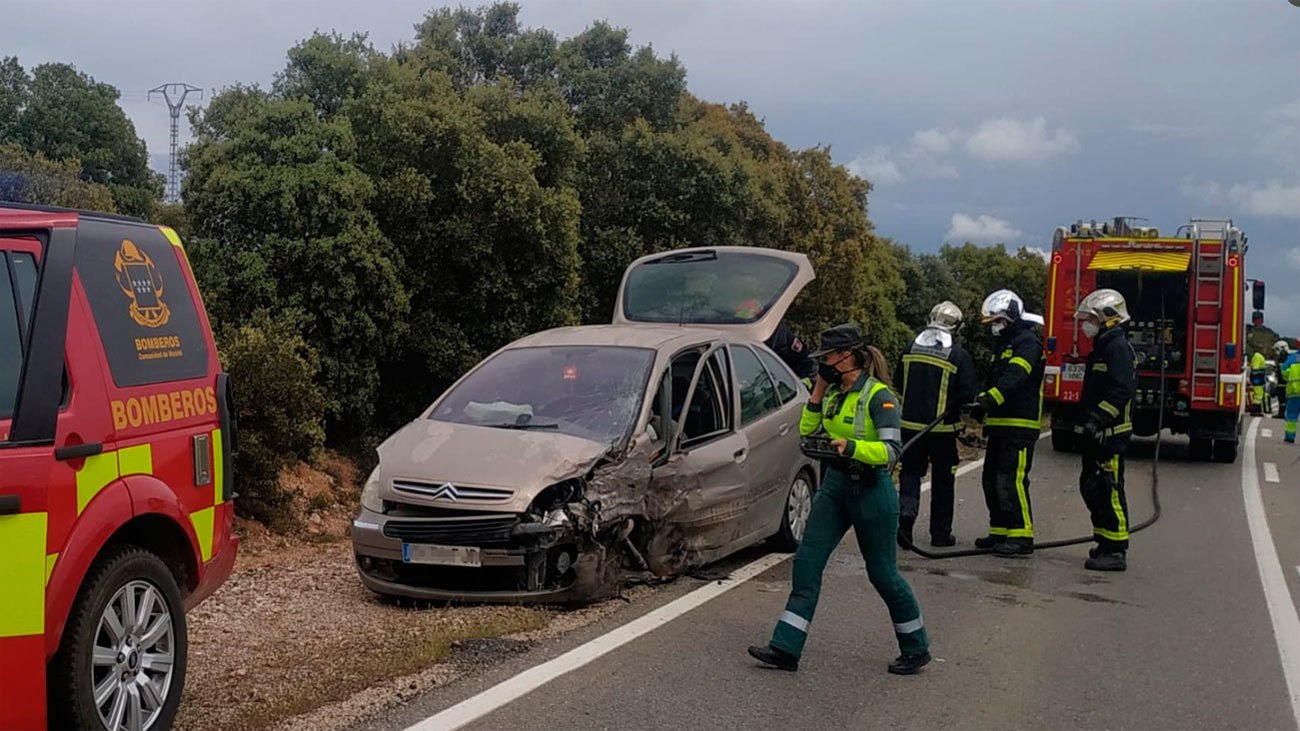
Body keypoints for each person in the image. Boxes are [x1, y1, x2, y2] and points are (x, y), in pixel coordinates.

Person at [748, 323, 931, 675]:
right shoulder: (833, 393)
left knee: (883, 574)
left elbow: (892, 452)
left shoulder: (880, 397)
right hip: (834, 486)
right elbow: (808, 430)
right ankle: (785, 648)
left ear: (848, 356)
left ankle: (916, 646)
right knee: (807, 563)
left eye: (828, 358)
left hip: (872, 490)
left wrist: (853, 447)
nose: (824, 364)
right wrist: (817, 392)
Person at [893, 301, 978, 547]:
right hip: (942, 431)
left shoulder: (910, 349)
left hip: (909, 428)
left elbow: (899, 381)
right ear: (956, 326)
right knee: (943, 481)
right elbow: (968, 393)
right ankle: (940, 534)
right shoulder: (958, 355)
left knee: (909, 474)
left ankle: (905, 523)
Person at [971, 289, 1045, 558]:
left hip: (1020, 426)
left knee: (1011, 480)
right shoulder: (1002, 344)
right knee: (991, 479)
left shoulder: (1028, 343)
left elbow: (1015, 377)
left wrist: (989, 400)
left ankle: (1021, 535)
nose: (994, 328)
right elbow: (993, 380)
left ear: (1012, 317)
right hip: (1000, 425)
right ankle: (1000, 530)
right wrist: (979, 401)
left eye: (997, 322)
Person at [1073, 289, 1136, 571]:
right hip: (1097, 435)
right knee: (1093, 488)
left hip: (1110, 436)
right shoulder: (1103, 346)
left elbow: (1121, 391)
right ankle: (1103, 541)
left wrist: (1098, 419)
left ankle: (1116, 549)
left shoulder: (1117, 348)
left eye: (1091, 318)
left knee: (1109, 490)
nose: (1086, 324)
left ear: (1108, 319)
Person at [1283, 343, 1300, 443]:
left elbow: (1284, 372)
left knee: (1292, 416)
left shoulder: (1293, 358)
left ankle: (1290, 436)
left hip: (1294, 393)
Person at [1251, 349, 1271, 415]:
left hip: (1258, 378)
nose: (1266, 351)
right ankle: (1256, 411)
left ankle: (1257, 410)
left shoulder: (1258, 356)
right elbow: (1255, 369)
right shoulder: (1258, 356)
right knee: (1258, 394)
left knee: (1259, 394)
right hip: (1257, 378)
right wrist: (1263, 372)